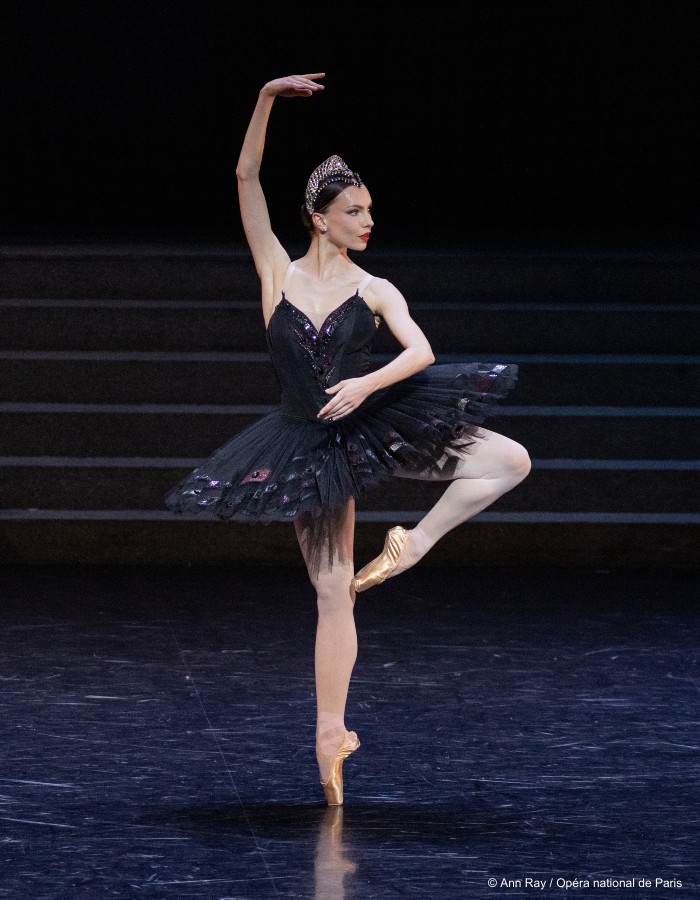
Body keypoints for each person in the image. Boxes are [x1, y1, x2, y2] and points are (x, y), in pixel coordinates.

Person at [166, 73, 531, 805]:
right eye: (354, 211)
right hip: (305, 447)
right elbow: (244, 174)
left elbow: (421, 353)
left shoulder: (376, 288)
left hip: (373, 426)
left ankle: (415, 544)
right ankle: (330, 734)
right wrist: (266, 97)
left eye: (369, 210)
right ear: (318, 216)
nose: (367, 222)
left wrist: (367, 385)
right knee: (334, 594)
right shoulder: (276, 270)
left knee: (510, 459)